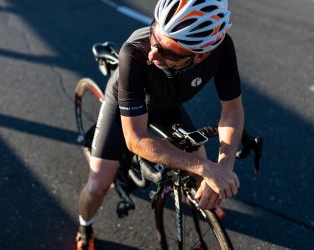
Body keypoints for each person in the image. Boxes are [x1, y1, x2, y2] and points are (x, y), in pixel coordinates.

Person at [76, 0, 243, 249]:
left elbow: (232, 110)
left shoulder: (222, 48)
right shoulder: (135, 52)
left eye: (169, 53)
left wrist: (224, 166)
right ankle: (84, 226)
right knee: (99, 183)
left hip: (166, 103)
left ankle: (203, 207)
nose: (153, 54)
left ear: (202, 55)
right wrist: (206, 168)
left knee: (202, 160)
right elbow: (136, 139)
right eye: (155, 35)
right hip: (127, 102)